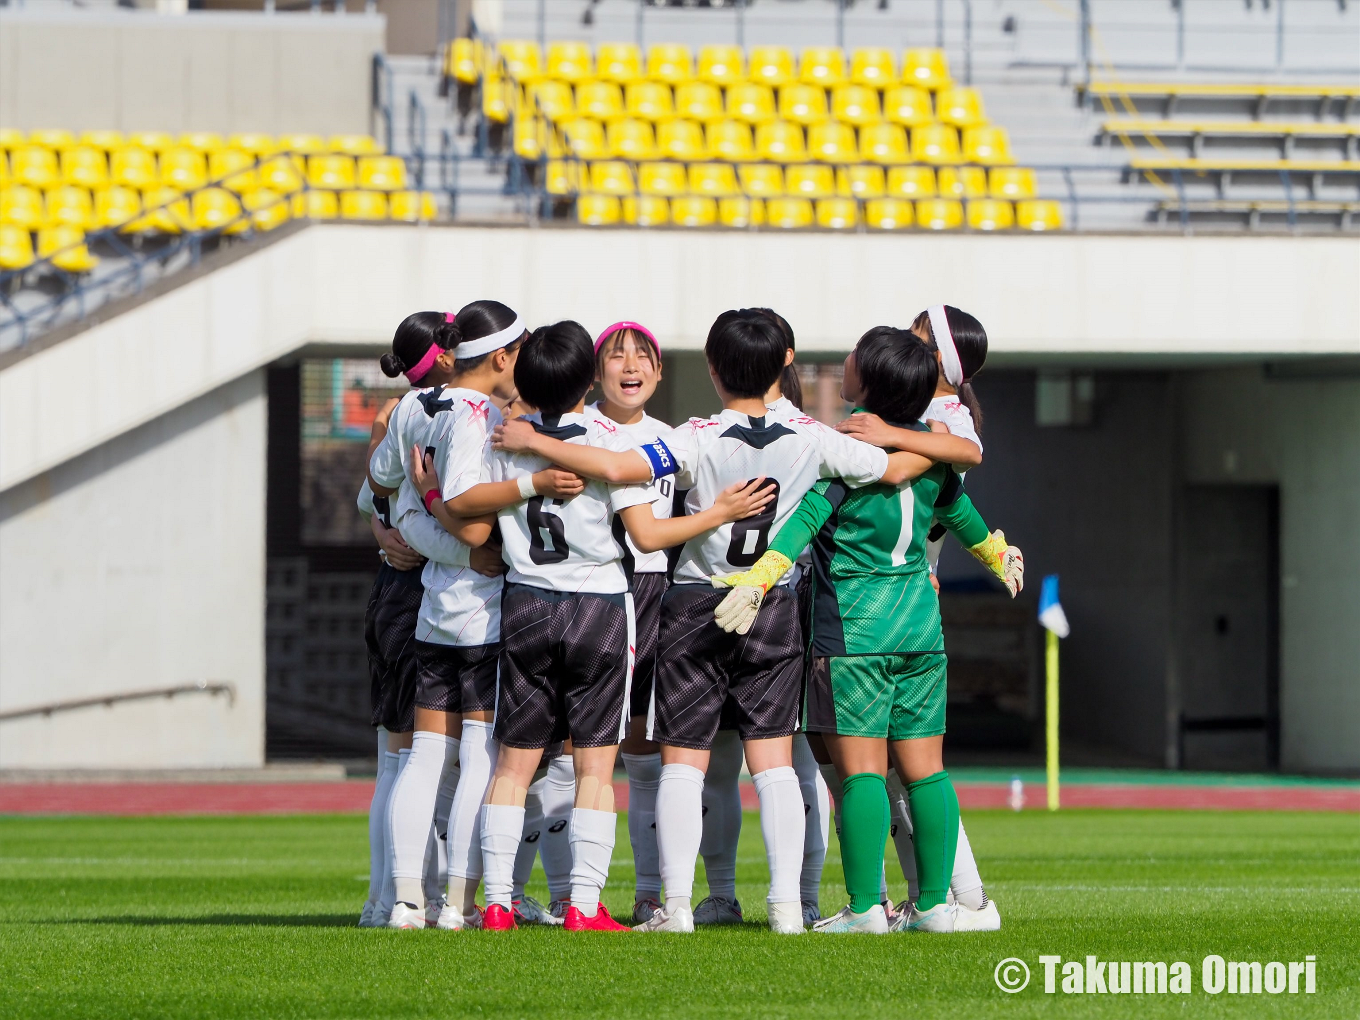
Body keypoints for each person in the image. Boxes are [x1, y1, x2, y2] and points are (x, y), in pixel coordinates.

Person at [491, 309, 937, 934]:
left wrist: (534, 442)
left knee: (683, 764)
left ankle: (674, 907)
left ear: (711, 367)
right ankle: (787, 907)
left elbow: (618, 469)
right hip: (773, 602)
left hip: (697, 602)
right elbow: (892, 469)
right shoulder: (814, 435)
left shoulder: (695, 435)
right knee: (775, 765)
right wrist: (946, 444)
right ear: (787, 360)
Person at [416, 319, 774, 932]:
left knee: (513, 765)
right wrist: (718, 512)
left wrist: (433, 497)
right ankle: (583, 904)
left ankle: (497, 903)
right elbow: (649, 534)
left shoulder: (502, 439)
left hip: (525, 602)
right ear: (589, 377)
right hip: (601, 607)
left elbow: (467, 513)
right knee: (594, 767)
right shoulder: (607, 448)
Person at [712, 326, 1022, 934]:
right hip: (922, 633)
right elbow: (968, 522)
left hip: (853, 635)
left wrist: (756, 582)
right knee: (927, 772)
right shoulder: (934, 463)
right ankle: (934, 905)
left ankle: (863, 911)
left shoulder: (844, 455)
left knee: (860, 777)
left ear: (870, 382)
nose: (847, 359)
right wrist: (999, 558)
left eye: (855, 356)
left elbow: (801, 525)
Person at [369, 302, 584, 931]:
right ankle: (458, 901)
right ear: (501, 357)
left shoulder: (413, 405)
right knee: (478, 758)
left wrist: (408, 513)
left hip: (433, 610)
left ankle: (408, 901)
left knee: (425, 757)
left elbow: (379, 481)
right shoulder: (485, 416)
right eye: (518, 354)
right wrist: (530, 486)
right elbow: (472, 511)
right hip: (484, 615)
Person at [836, 304, 1009, 929]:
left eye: (915, 333)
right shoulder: (921, 416)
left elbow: (934, 460)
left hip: (875, 602)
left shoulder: (941, 419)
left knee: (882, 769)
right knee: (907, 770)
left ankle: (959, 896)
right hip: (907, 602)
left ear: (935, 355)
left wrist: (875, 435)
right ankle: (932, 898)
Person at [586, 320, 674, 924]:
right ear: (597, 372)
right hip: (584, 591)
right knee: (573, 754)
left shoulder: (675, 441)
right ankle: (569, 895)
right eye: (617, 356)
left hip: (653, 593)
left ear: (659, 371)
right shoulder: (576, 430)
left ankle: (648, 894)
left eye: (642, 355)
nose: (630, 365)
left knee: (645, 754)